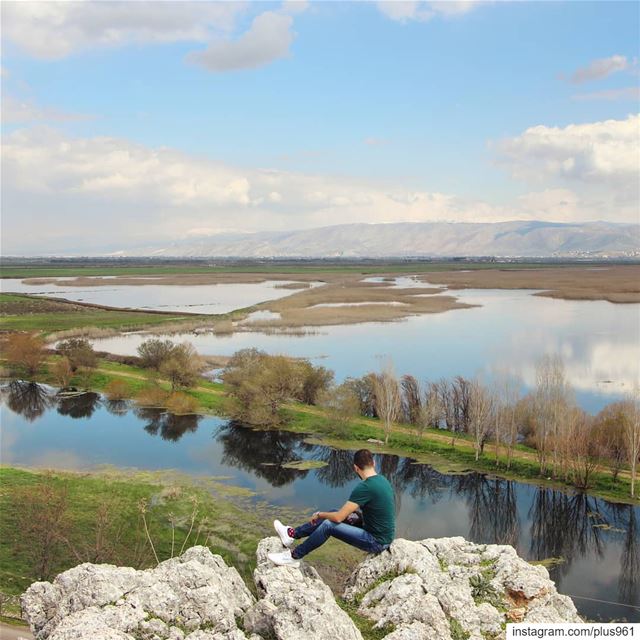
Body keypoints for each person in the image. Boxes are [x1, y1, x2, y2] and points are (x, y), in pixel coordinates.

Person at [268, 448, 395, 567]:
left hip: (376, 541)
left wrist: (319, 514)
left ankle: (294, 556)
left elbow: (339, 518)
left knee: (328, 525)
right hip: (378, 532)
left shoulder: (365, 487)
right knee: (334, 512)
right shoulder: (382, 480)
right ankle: (292, 534)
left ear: (356, 468)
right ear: (374, 463)